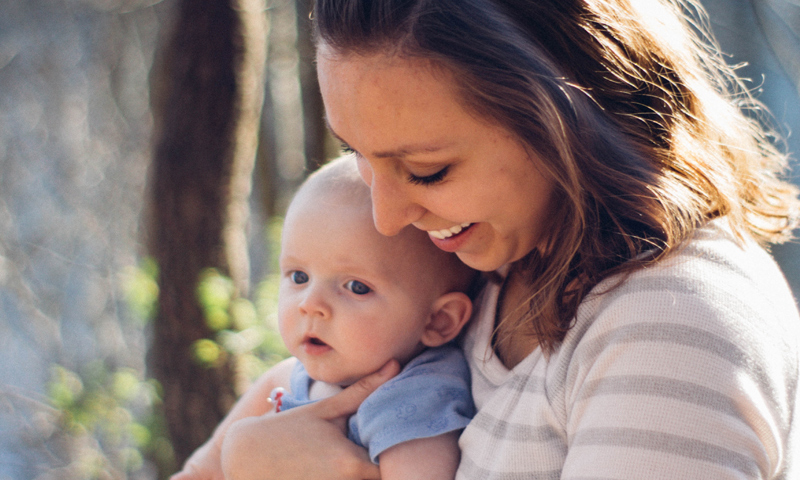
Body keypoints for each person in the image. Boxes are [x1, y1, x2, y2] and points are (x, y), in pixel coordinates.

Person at [173, 0, 800, 478]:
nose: (385, 217)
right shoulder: (487, 266)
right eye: (356, 153)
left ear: (566, 118)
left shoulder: (673, 325)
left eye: (426, 171)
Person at [179, 157, 478, 480]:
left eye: (356, 286)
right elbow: (203, 469)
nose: (310, 304)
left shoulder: (414, 402)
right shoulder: (289, 377)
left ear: (439, 321)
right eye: (298, 276)